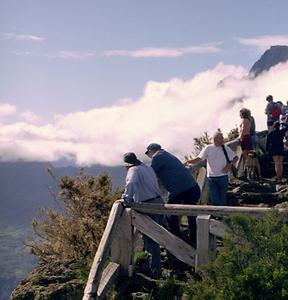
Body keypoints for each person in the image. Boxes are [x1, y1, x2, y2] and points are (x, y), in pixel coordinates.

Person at [145, 143, 200, 247]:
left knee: (171, 213)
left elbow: (149, 173)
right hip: (191, 186)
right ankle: (194, 239)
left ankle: (175, 240)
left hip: (178, 189)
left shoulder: (157, 157)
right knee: (191, 213)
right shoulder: (166, 154)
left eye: (148, 153)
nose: (148, 155)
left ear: (152, 150)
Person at [121, 152, 163, 278]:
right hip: (158, 202)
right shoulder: (147, 168)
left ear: (127, 165)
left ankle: (155, 272)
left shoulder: (133, 170)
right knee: (158, 236)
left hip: (147, 205)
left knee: (150, 239)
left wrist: (126, 198)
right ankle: (152, 265)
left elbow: (131, 183)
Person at [185, 132, 238, 206]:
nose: (222, 140)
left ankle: (221, 215)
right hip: (211, 177)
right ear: (215, 139)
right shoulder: (208, 148)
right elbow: (199, 158)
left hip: (223, 176)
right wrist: (188, 162)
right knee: (215, 198)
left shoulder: (225, 148)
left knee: (222, 197)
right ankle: (218, 215)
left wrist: (229, 165)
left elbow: (235, 158)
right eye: (221, 138)